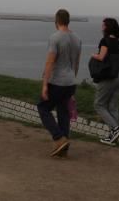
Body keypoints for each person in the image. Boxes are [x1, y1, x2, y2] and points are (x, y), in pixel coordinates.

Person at [37, 8, 82, 157]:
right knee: (63, 113)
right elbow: (76, 64)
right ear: (68, 21)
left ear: (57, 21)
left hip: (57, 81)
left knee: (43, 108)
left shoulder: (55, 38)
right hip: (70, 82)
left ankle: (59, 138)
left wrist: (44, 84)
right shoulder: (77, 38)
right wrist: (73, 86)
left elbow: (50, 62)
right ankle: (64, 148)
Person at [91, 17, 119, 145]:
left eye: (103, 25)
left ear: (107, 27)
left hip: (108, 77)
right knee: (112, 106)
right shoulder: (118, 42)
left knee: (98, 104)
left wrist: (93, 55)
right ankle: (113, 137)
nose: (101, 27)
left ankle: (115, 129)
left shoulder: (105, 41)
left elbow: (101, 57)